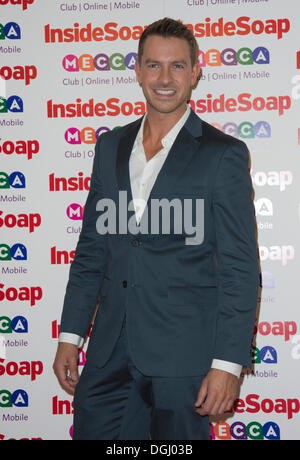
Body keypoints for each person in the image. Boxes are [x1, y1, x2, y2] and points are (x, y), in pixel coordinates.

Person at [53, 17, 260, 440]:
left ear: (196, 71)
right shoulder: (110, 146)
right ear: (138, 70)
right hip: (109, 352)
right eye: (153, 66)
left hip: (185, 360)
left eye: (177, 66)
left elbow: (241, 268)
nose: (164, 79)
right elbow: (91, 249)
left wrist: (228, 364)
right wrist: (70, 335)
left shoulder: (224, 155)